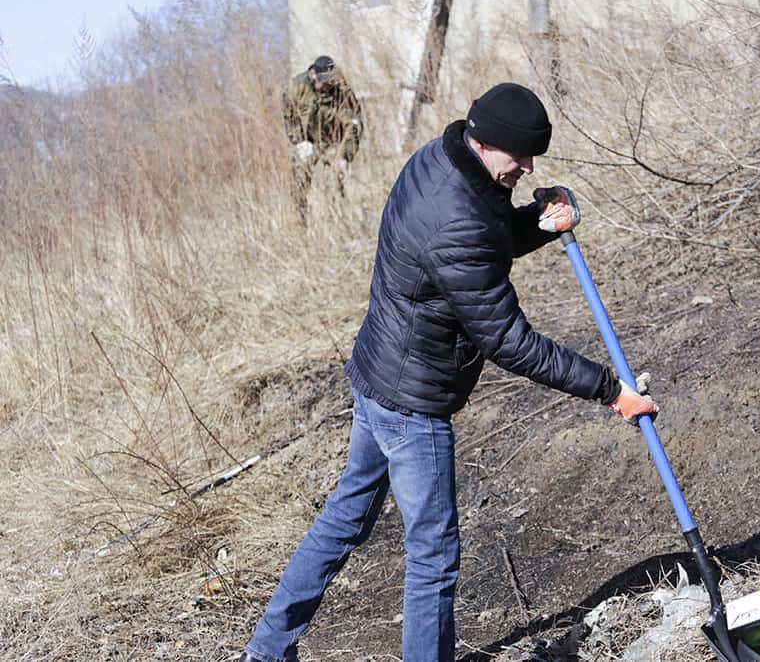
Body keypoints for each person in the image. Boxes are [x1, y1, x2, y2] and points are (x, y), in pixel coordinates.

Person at [239, 82, 658, 662]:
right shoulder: (455, 215)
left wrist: (537, 218)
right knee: (432, 556)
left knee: (344, 520)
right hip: (413, 404)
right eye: (522, 156)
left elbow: (483, 244)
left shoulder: (442, 160)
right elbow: (508, 338)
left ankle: (263, 653)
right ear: (486, 142)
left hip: (379, 375)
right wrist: (610, 391)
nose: (529, 166)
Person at [283, 55, 363, 226]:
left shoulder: (341, 89)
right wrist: (299, 141)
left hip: (333, 141)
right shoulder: (295, 88)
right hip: (307, 141)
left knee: (334, 181)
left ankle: (337, 223)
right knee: (299, 177)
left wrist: (344, 155)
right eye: (323, 82)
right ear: (313, 75)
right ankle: (300, 221)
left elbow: (353, 125)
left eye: (330, 82)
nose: (327, 86)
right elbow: (289, 118)